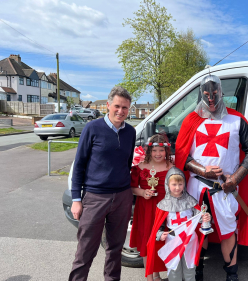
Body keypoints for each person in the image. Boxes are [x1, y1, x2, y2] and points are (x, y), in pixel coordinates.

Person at [175, 75, 248, 281]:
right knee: (198, 229)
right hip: (197, 187)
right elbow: (181, 154)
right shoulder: (191, 121)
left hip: (224, 189)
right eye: (206, 95)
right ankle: (197, 272)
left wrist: (235, 180)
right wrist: (203, 171)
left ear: (221, 92)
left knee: (229, 230)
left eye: (215, 94)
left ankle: (231, 274)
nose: (211, 99)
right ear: (201, 94)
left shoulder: (237, 120)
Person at [69, 86, 136, 281]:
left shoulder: (130, 132)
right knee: (85, 250)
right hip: (95, 197)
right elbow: (79, 165)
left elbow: (127, 162)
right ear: (108, 105)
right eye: (117, 106)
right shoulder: (92, 128)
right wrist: (76, 198)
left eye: (125, 107)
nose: (121, 111)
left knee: (115, 250)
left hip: (122, 197)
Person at [146, 167, 211, 281]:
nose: (177, 187)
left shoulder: (191, 201)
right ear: (168, 184)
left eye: (180, 184)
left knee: (190, 270)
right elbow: (159, 226)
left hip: (189, 239)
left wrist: (206, 217)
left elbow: (199, 219)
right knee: (174, 271)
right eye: (174, 184)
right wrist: (160, 234)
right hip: (172, 240)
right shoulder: (163, 204)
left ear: (184, 184)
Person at [130, 134, 174, 281]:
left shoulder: (172, 167)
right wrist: (143, 192)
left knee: (161, 242)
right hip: (145, 209)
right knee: (147, 242)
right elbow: (131, 188)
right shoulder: (140, 166)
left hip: (165, 210)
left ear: (166, 151)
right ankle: (150, 278)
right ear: (149, 151)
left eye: (161, 151)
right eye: (154, 151)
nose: (158, 154)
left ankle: (157, 275)